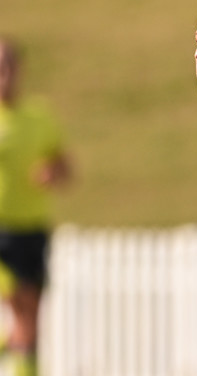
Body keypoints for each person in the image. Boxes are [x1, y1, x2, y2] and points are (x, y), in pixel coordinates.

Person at [0, 37, 70, 375]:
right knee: (14, 303)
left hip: (30, 227)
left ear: (18, 70)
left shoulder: (39, 116)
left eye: (7, 66)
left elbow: (65, 167)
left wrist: (52, 171)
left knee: (29, 315)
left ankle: (23, 364)